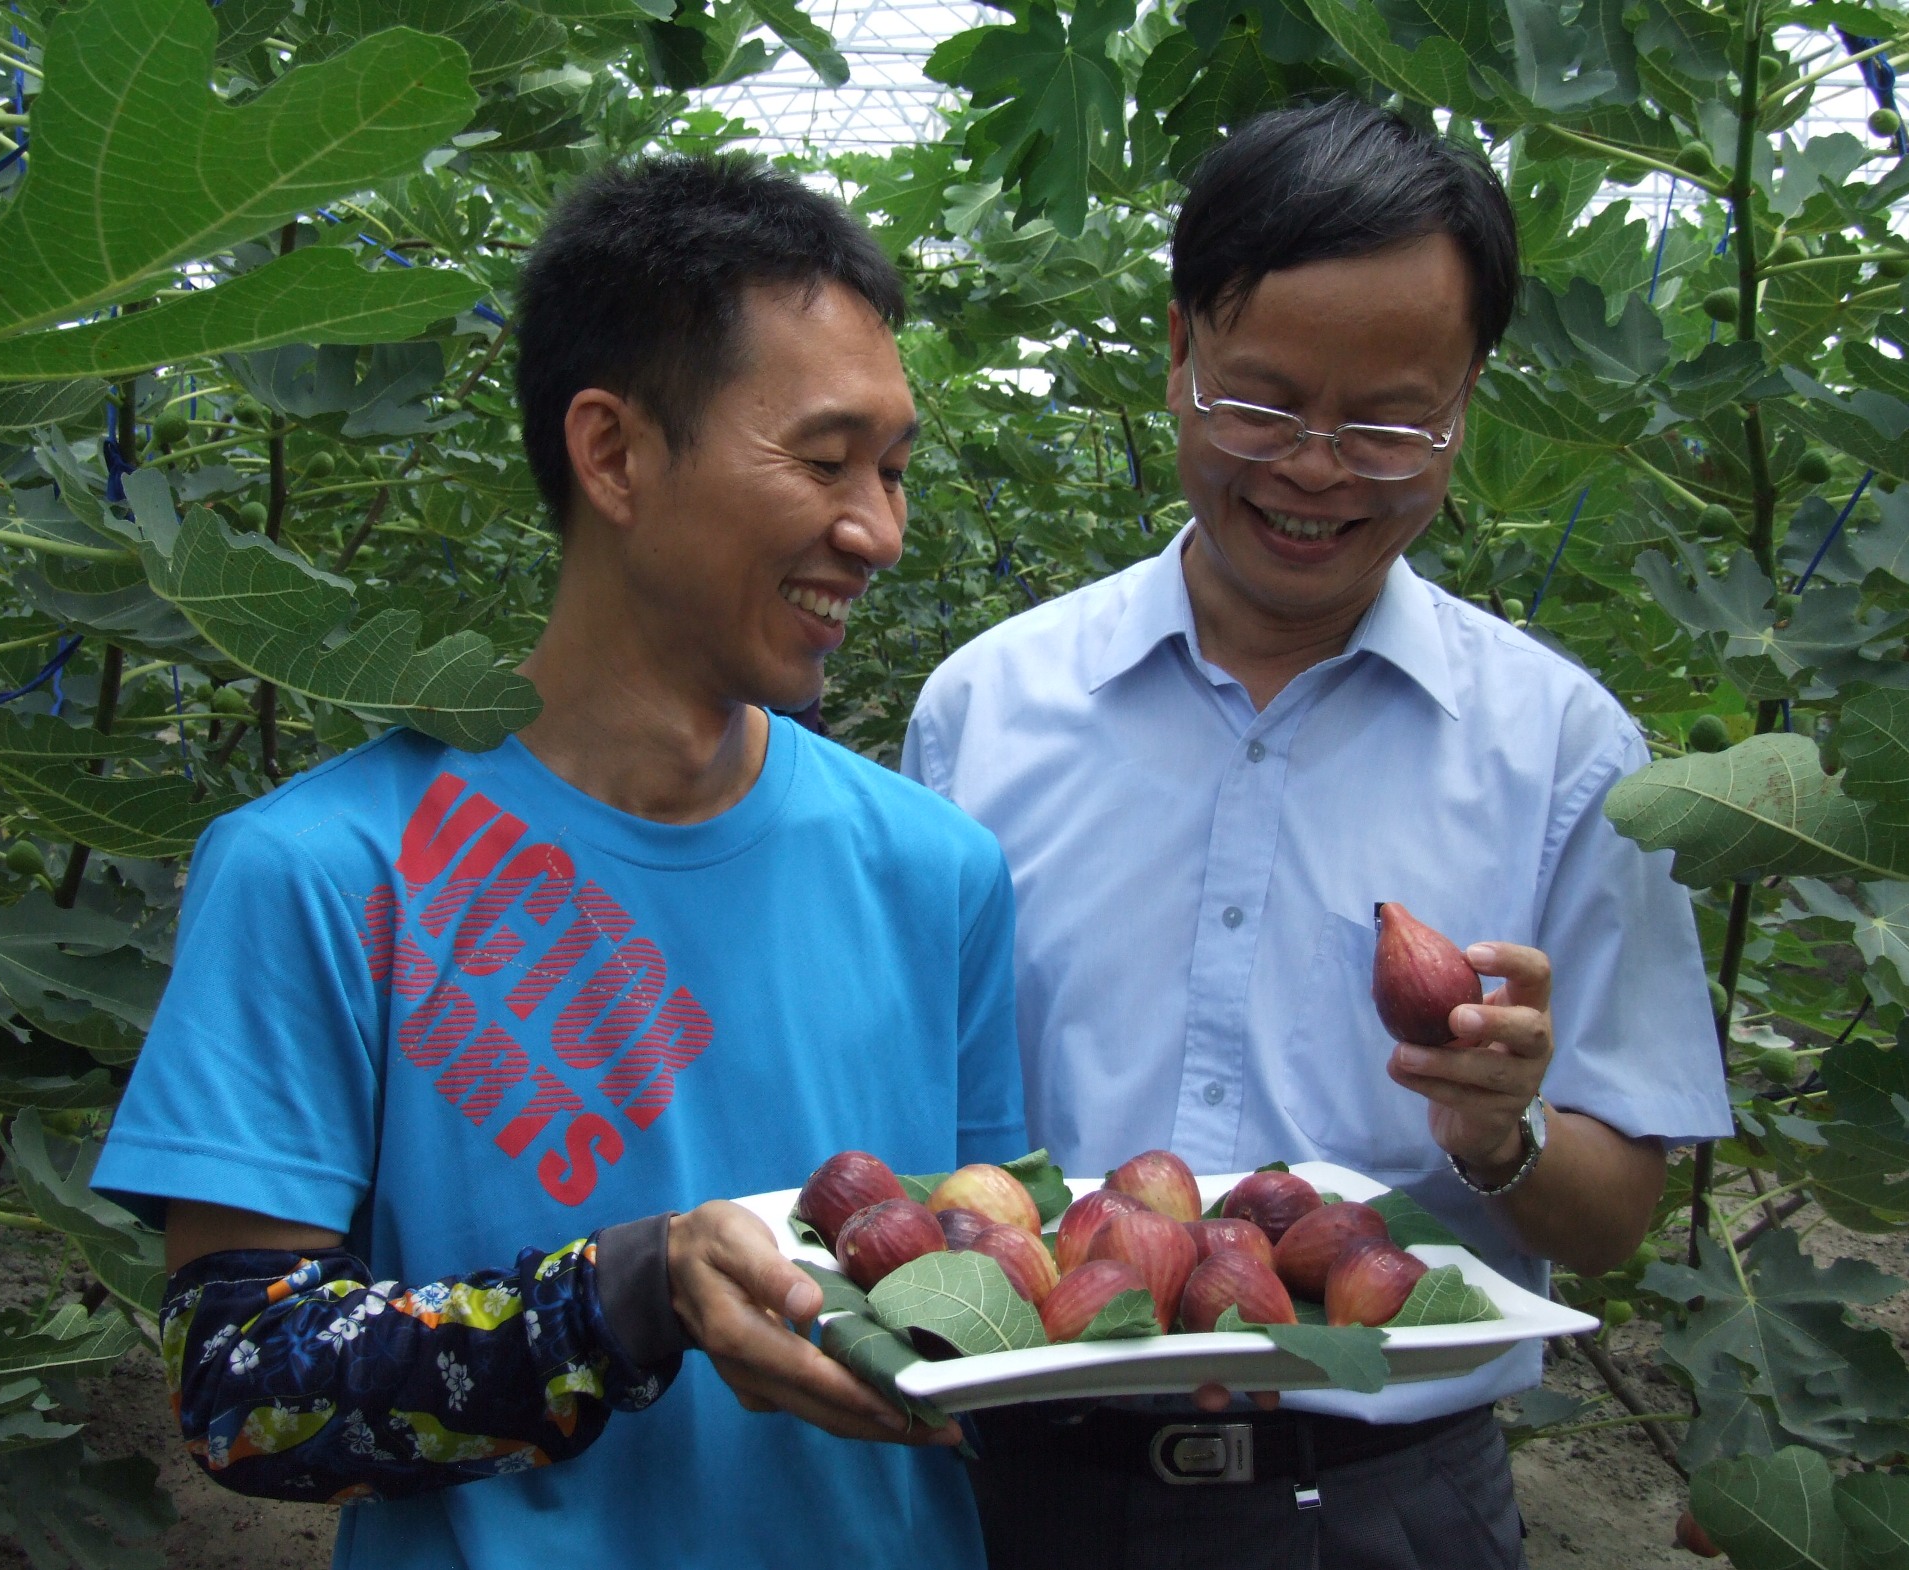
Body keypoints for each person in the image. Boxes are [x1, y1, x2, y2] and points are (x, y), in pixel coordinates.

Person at [94, 154, 1026, 1570]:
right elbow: (244, 1386)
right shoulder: (320, 870)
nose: (877, 531)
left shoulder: (936, 870)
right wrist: (625, 1293)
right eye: (826, 461)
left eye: (893, 471)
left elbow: (979, 1284)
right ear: (613, 454)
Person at [902, 100, 1731, 1569]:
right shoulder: (988, 709)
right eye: (1262, 403)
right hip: (1018, 1482)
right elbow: (921, 1118)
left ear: (1466, 401)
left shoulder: (1562, 750)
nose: (1313, 469)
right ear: (1175, 357)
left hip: (1384, 1499)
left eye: (1389, 420)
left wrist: (1499, 1132)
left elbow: (1607, 1214)